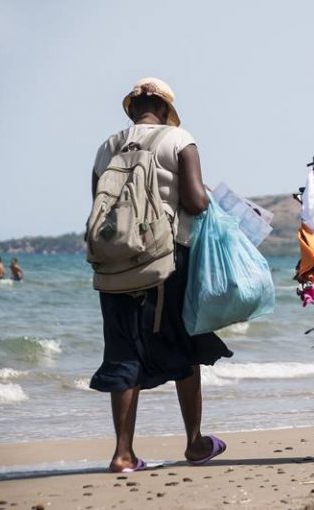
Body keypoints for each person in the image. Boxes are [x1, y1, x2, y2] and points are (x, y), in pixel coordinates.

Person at [89, 77, 233, 473]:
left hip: (114, 265)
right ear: (165, 109)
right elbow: (196, 202)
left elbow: (98, 205)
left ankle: (122, 454)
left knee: (122, 352)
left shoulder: (107, 147)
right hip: (167, 262)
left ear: (132, 108)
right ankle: (195, 443)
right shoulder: (178, 140)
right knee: (184, 347)